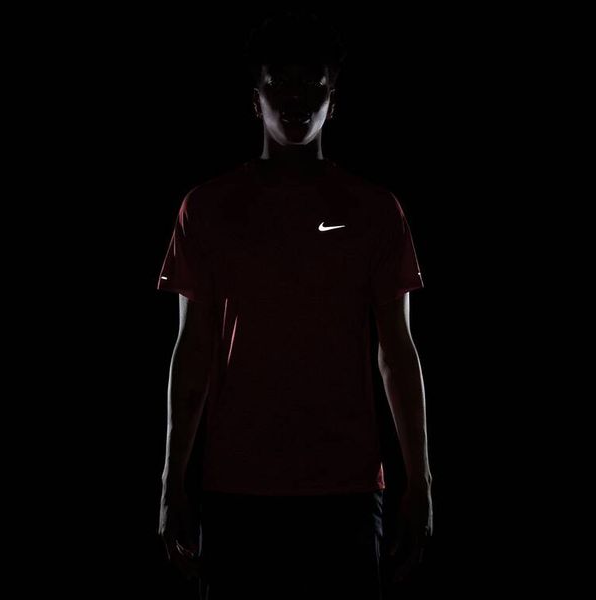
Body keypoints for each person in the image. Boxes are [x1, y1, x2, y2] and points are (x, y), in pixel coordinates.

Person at [156, 10, 433, 600]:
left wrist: (421, 482)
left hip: (346, 489)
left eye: (313, 82)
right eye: (278, 81)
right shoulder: (206, 208)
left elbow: (397, 353)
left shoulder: (375, 210)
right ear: (255, 98)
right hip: (237, 488)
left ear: (335, 98)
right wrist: (171, 481)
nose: (296, 96)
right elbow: (193, 350)